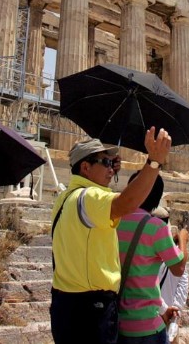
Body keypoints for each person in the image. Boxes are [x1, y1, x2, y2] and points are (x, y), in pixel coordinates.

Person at [50, 127, 172, 344]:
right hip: (90, 309)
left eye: (112, 162)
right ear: (85, 167)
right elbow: (127, 203)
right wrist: (154, 162)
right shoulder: (90, 198)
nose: (111, 167)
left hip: (65, 303)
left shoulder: (67, 197)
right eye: (105, 162)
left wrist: (107, 167)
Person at [117, 173, 189, 343]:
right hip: (147, 324)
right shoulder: (156, 227)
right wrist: (183, 240)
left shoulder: (115, 220)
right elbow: (178, 269)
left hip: (118, 321)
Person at [153, 206, 189, 344]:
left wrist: (173, 309)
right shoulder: (167, 253)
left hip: (165, 314)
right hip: (164, 314)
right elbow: (182, 271)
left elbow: (183, 278)